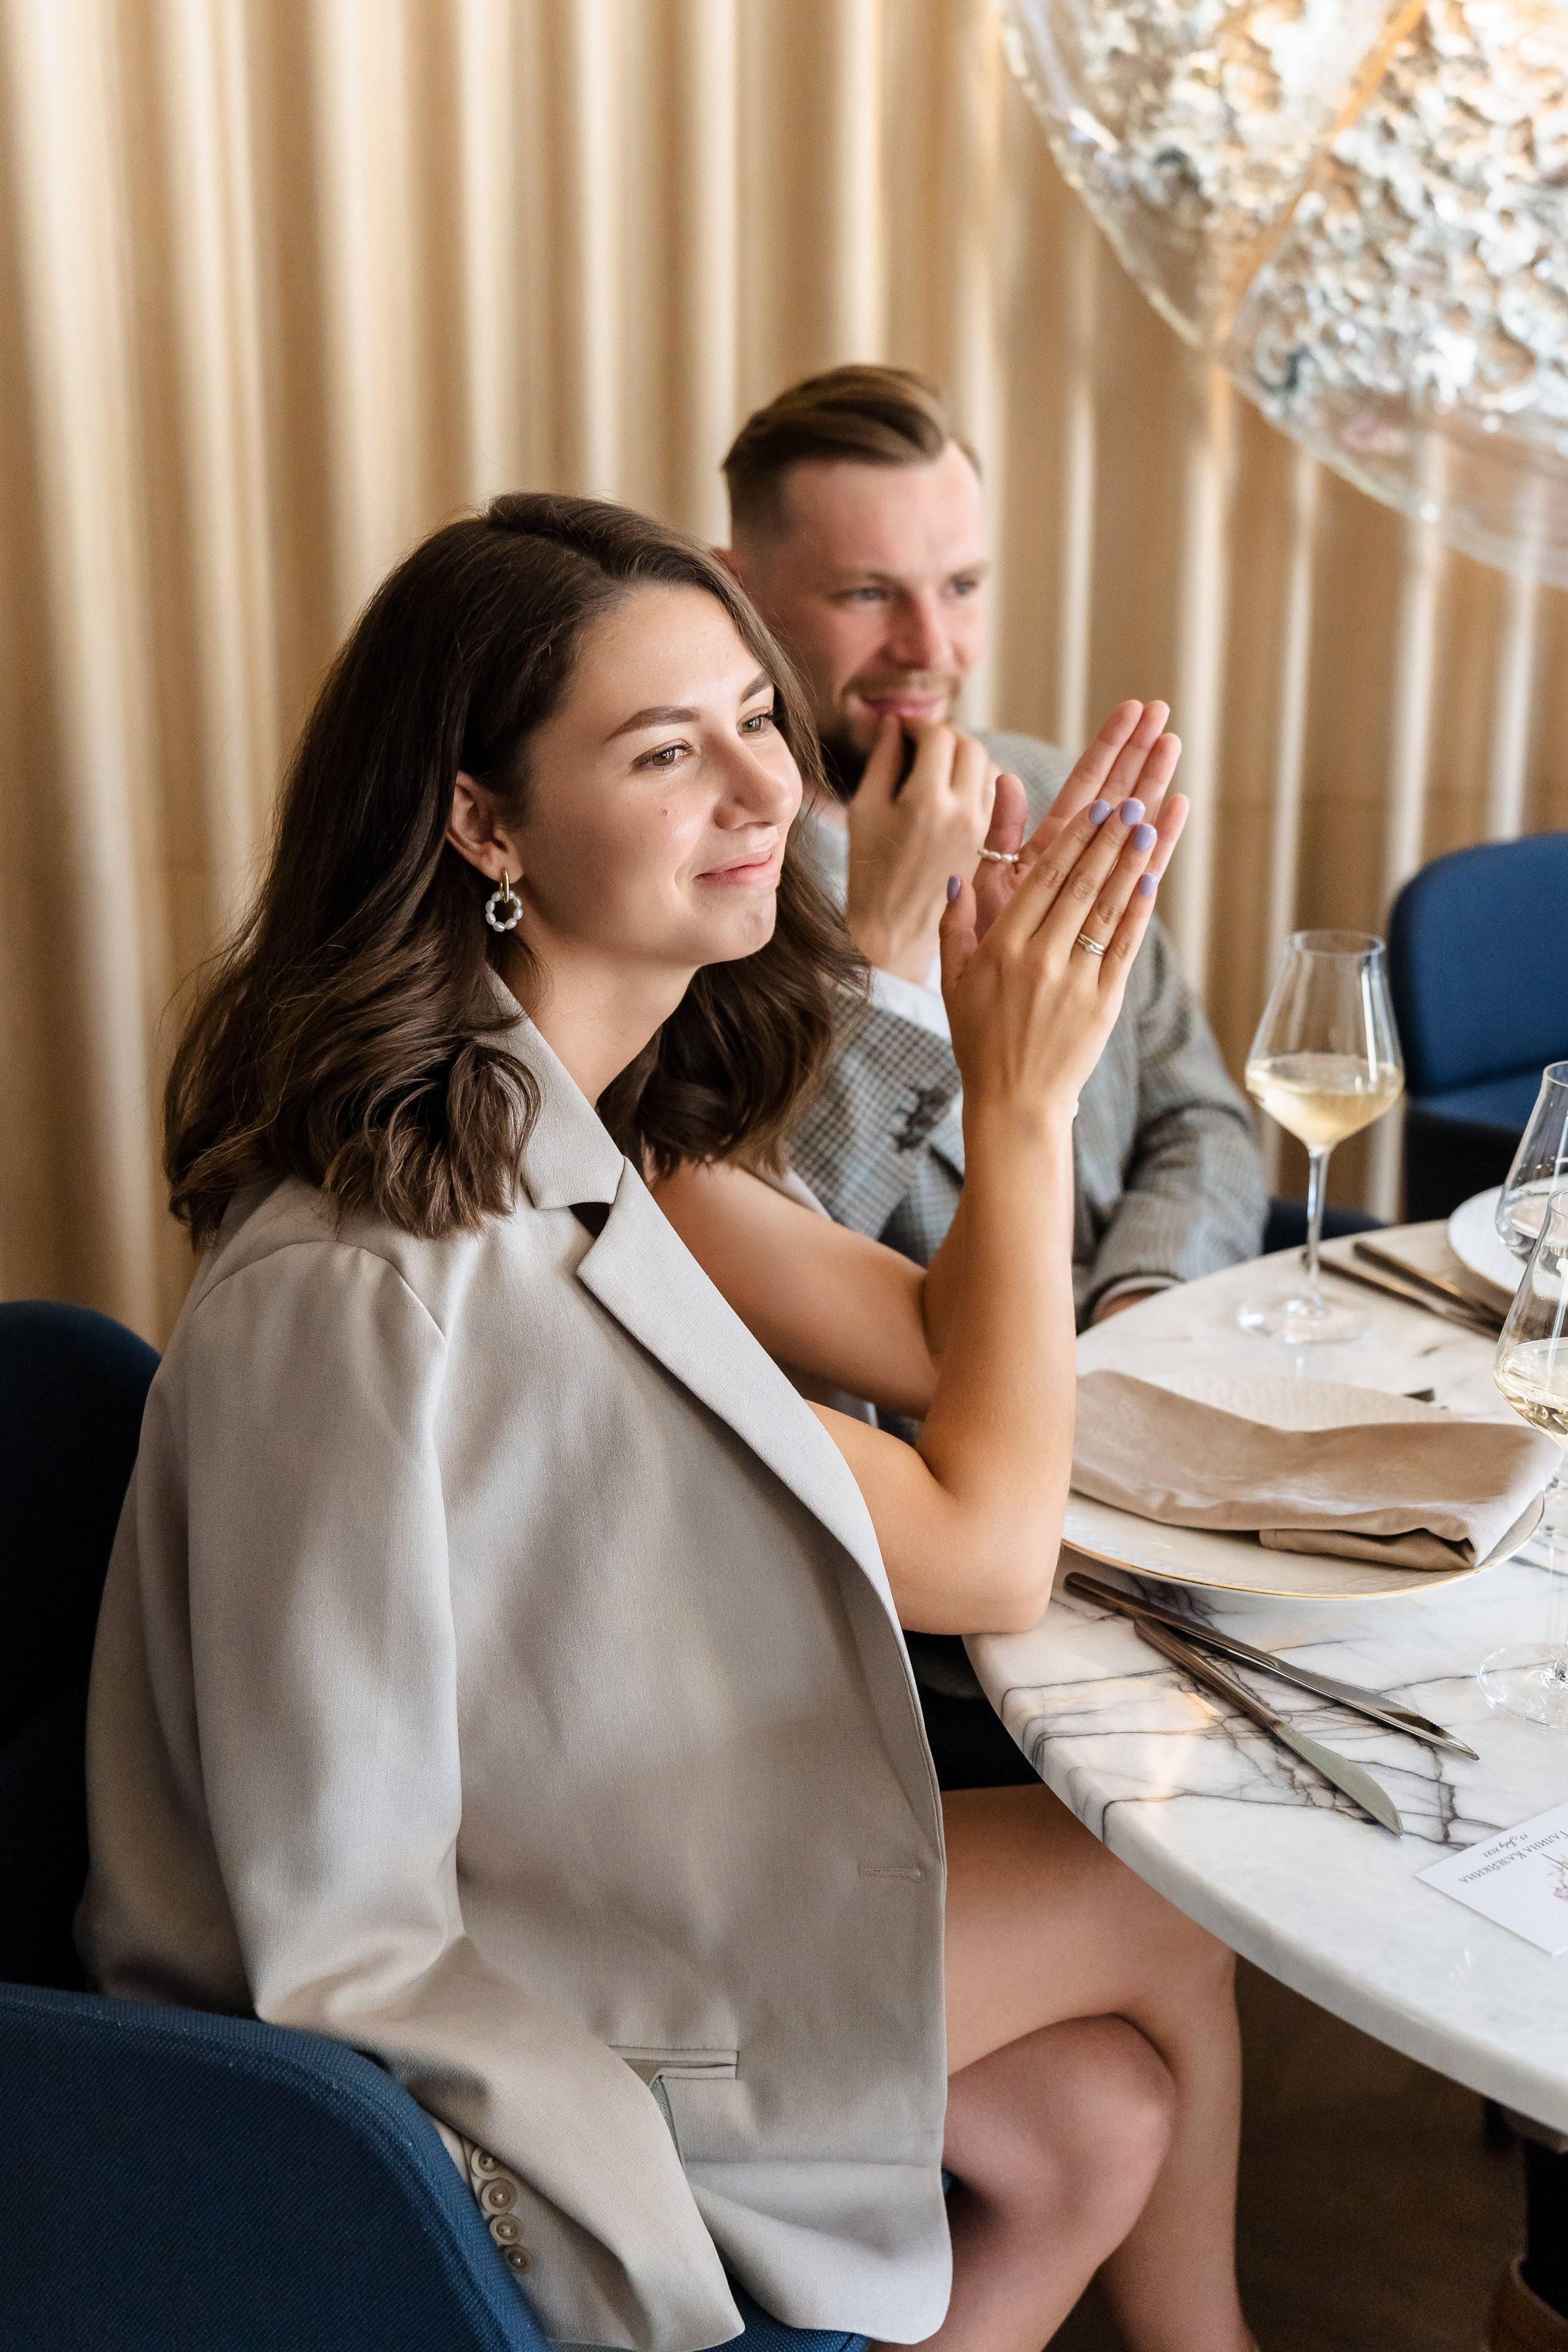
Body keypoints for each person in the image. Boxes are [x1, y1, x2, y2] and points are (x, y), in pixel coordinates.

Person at [80, 494, 1254, 2352]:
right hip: (509, 1982)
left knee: (1098, 2117)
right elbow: (989, 1547)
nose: (763, 789)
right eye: (663, 749)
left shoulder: (596, 1122)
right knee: (1170, 1912)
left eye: (758, 722)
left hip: (606, 1865)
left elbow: (953, 1352)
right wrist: (1017, 1117)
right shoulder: (377, 1272)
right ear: (483, 819)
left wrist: (1024, 1059)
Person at [718, 364, 1267, 1328]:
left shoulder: (1052, 790)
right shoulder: (706, 874)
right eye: (867, 593)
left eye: (961, 586)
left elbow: (1199, 1120)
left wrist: (1139, 1303)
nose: (930, 646)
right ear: (738, 592)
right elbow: (745, 1296)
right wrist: (883, 962)